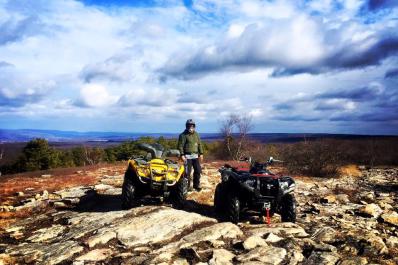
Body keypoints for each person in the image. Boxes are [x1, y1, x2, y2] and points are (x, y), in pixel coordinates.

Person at [177, 119, 204, 191]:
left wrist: (201, 153)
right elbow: (180, 146)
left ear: (194, 126)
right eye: (189, 125)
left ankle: (196, 185)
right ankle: (187, 187)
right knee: (187, 173)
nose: (190, 127)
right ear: (187, 126)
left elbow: (199, 144)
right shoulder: (183, 135)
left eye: (192, 125)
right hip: (187, 157)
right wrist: (182, 155)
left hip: (195, 156)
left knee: (198, 171)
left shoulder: (196, 134)